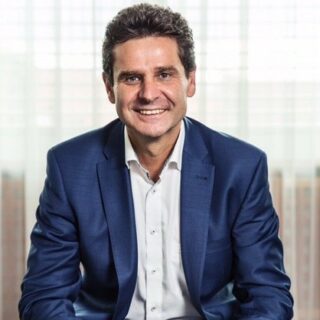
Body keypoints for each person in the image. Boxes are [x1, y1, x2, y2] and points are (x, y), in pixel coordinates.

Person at [19, 3, 294, 320]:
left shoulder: (241, 167)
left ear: (190, 81)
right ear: (110, 88)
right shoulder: (69, 167)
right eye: (132, 78)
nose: (149, 93)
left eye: (164, 74)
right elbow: (44, 295)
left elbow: (267, 293)